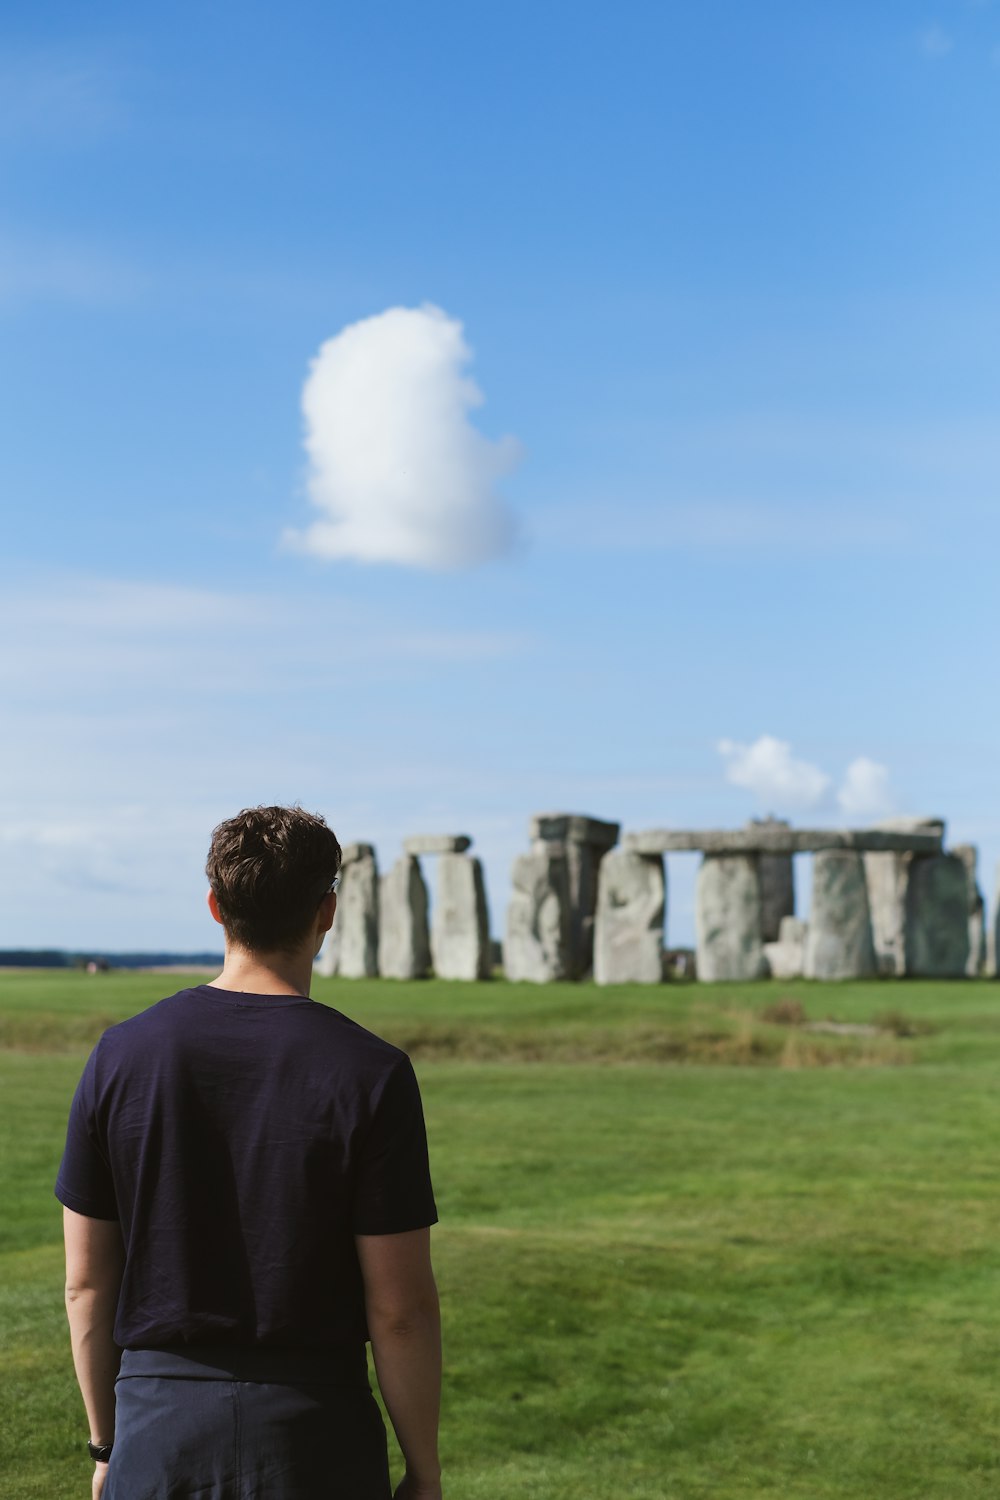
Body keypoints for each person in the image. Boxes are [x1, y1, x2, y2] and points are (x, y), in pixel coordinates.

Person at [55, 805, 443, 1500]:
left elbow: (86, 1284)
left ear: (214, 906)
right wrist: (423, 1469)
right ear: (327, 912)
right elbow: (401, 1308)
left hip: (156, 1422)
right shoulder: (371, 1072)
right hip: (316, 1433)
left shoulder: (121, 1055)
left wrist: (107, 1444)